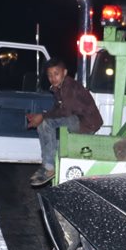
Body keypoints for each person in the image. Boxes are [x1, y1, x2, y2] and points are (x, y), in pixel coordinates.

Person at [25, 58, 102, 187]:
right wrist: (38, 117)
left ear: (64, 73)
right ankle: (48, 164)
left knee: (46, 123)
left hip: (86, 123)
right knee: (43, 124)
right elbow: (57, 109)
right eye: (50, 75)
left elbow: (66, 112)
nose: (53, 78)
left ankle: (49, 167)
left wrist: (42, 116)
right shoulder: (58, 88)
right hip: (77, 120)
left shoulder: (69, 86)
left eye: (56, 74)